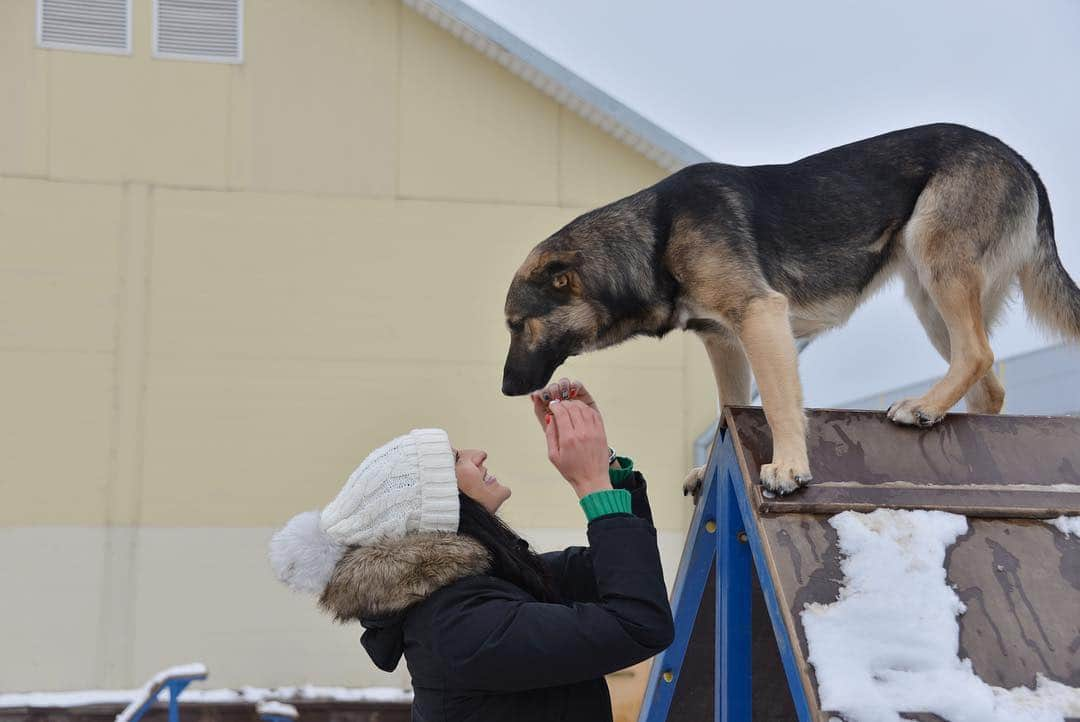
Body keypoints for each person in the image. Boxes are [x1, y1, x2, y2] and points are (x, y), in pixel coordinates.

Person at [269, 378, 674, 722]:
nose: (478, 455)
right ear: (433, 510)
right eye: (455, 459)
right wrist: (591, 483)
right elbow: (639, 623)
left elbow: (620, 571)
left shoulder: (481, 589)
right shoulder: (459, 624)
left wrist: (602, 461)